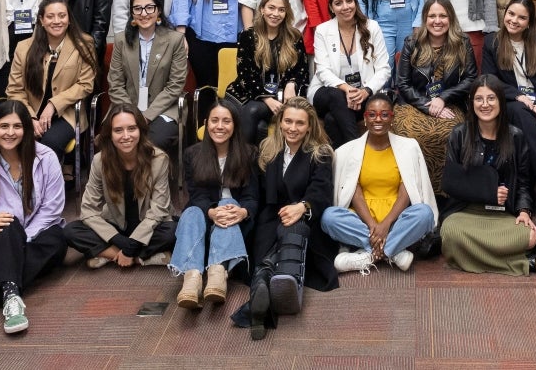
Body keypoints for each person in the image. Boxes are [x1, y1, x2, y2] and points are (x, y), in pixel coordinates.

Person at [439, 75, 536, 278]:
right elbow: (451, 183)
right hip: (465, 212)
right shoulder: (459, 134)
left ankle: (479, 255)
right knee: (450, 234)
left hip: (501, 212)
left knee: (530, 237)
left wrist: (524, 211)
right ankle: (529, 263)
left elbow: (524, 183)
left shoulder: (516, 136)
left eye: (491, 98)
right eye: (479, 99)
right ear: (471, 103)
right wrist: (486, 191)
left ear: (501, 102)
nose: (485, 104)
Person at [0, 100, 68, 334]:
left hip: (38, 236)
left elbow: (53, 209)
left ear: (26, 130)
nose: (10, 133)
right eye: (4, 126)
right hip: (2, 238)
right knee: (7, 223)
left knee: (59, 238)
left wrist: (23, 238)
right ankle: (11, 296)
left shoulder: (46, 157)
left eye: (17, 126)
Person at [238, 97, 336, 341]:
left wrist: (302, 207)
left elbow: (321, 191)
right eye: (288, 121)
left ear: (310, 126)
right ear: (279, 122)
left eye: (300, 123)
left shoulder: (320, 153)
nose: (293, 128)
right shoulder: (266, 150)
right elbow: (256, 192)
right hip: (269, 216)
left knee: (293, 234)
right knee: (264, 252)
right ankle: (267, 293)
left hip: (304, 216)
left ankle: (264, 297)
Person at [321, 92, 437, 273]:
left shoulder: (409, 147)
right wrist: (373, 226)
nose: (378, 119)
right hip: (363, 220)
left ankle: (370, 255)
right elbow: (354, 191)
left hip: (397, 219)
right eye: (372, 114)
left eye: (384, 114)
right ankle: (393, 251)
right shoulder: (347, 151)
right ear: (365, 118)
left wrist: (385, 225)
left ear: (392, 118)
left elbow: (407, 190)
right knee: (329, 217)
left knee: (424, 213)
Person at [63, 105, 176, 271]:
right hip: (116, 225)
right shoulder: (100, 161)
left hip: (148, 226)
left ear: (141, 130)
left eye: (132, 129)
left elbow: (158, 211)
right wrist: (122, 244)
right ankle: (135, 257)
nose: (126, 136)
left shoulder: (158, 159)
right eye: (118, 130)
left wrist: (133, 244)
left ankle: (106, 255)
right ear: (110, 134)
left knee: (173, 231)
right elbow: (88, 210)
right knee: (70, 231)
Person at [171, 100, 258, 308]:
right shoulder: (193, 154)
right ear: (206, 123)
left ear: (235, 125)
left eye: (226, 121)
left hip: (236, 222)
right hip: (205, 218)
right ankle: (192, 278)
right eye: (214, 120)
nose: (220, 126)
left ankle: (218, 272)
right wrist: (211, 213)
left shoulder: (249, 153)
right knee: (191, 212)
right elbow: (197, 195)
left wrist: (243, 212)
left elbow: (253, 196)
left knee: (228, 203)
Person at [391, 0, 477, 192]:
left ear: (451, 18)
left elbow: (471, 79)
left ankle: (445, 192)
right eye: (432, 16)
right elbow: (403, 83)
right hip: (413, 103)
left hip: (451, 103)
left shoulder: (462, 43)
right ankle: (413, 191)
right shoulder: (412, 42)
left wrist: (443, 98)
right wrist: (428, 105)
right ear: (424, 18)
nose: (437, 21)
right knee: (410, 135)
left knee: (449, 133)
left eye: (442, 16)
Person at [5, 0, 97, 160]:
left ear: (69, 19)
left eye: (62, 16)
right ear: (41, 20)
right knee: (14, 139)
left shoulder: (84, 44)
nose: (57, 21)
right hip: (31, 112)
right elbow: (14, 90)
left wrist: (54, 104)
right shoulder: (24, 48)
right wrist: (30, 117)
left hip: (67, 113)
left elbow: (85, 84)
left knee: (48, 143)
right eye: (50, 16)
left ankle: (46, 184)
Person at [481, 0, 536, 178]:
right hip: (511, 104)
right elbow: (489, 80)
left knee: (525, 130)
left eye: (522, 17)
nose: (514, 20)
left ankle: (531, 185)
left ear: (529, 22)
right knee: (519, 110)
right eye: (511, 14)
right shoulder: (492, 42)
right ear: (505, 13)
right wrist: (517, 95)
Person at [308, 0, 391, 148]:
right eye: (338, 3)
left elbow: (384, 69)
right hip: (327, 93)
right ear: (331, 8)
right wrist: (346, 88)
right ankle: (357, 150)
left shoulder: (371, 27)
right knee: (336, 95)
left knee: (333, 120)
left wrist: (366, 91)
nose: (345, 7)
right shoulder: (322, 31)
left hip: (363, 94)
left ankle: (341, 165)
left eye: (349, 1)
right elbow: (322, 71)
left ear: (355, 3)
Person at [107, 0, 190, 155]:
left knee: (152, 143)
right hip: (127, 106)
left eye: (149, 7)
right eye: (137, 9)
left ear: (158, 10)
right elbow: (115, 84)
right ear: (132, 13)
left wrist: (147, 116)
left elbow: (175, 86)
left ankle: (151, 181)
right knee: (117, 140)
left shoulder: (175, 40)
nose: (143, 14)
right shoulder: (121, 40)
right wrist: (132, 114)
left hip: (164, 109)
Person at [226, 0, 309, 144]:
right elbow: (246, 75)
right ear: (262, 9)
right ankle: (244, 165)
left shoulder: (295, 37)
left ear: (286, 13)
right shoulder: (248, 36)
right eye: (271, 8)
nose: (275, 13)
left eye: (281, 10)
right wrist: (266, 99)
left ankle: (242, 165)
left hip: (282, 99)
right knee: (259, 123)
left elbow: (302, 71)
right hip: (248, 94)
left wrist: (291, 84)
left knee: (256, 116)